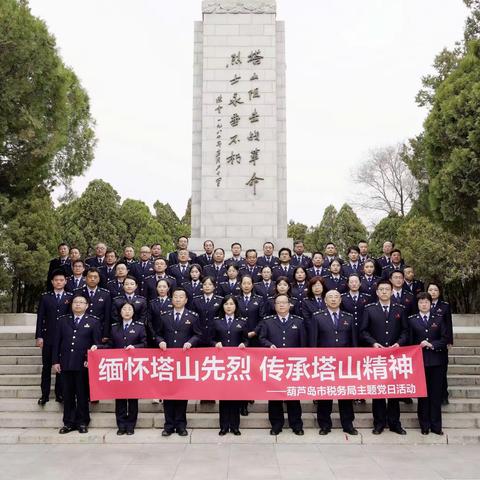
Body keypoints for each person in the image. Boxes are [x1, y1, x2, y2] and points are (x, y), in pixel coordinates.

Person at [360, 279, 409, 435]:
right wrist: (373, 343)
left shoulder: (400, 309)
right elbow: (363, 331)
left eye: (387, 289)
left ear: (392, 291)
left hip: (395, 355)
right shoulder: (369, 309)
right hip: (377, 356)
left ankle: (395, 423)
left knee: (394, 391)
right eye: (381, 289)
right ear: (377, 292)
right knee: (379, 390)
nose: (384, 292)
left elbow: (405, 331)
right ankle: (379, 423)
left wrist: (399, 344)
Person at [91, 302, 147, 435]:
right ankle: (121, 425)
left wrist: (135, 348)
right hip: (119, 368)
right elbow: (110, 345)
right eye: (124, 309)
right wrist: (97, 347)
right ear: (120, 312)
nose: (127, 311)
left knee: (133, 398)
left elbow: (145, 343)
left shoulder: (139, 327)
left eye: (129, 309)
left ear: (133, 312)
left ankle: (131, 425)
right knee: (120, 397)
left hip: (134, 367)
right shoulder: (114, 327)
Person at [154, 288, 202, 436]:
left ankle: (181, 425)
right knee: (168, 393)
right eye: (175, 297)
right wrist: (160, 341)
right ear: (171, 299)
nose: (178, 299)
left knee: (181, 393)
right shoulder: (164, 316)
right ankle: (168, 425)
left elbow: (198, 334)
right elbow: (157, 334)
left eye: (181, 297)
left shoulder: (192, 316)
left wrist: (190, 342)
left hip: (184, 360)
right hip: (167, 360)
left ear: (186, 300)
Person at [310, 290, 358, 435]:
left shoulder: (348, 317)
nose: (333, 299)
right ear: (325, 301)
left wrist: (354, 360)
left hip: (344, 363)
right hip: (325, 363)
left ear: (340, 300)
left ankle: (348, 424)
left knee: (345, 395)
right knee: (325, 394)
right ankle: (325, 424)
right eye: (330, 297)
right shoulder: (317, 317)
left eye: (336, 297)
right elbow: (313, 341)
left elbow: (354, 341)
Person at [52, 295, 101, 434]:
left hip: (83, 363)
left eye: (81, 302)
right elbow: (57, 343)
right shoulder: (62, 321)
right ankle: (68, 422)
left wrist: (89, 358)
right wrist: (55, 361)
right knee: (67, 394)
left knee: (81, 393)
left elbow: (96, 343)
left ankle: (82, 422)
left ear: (87, 306)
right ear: (71, 304)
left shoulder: (93, 321)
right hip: (65, 362)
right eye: (75, 302)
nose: (78, 305)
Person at [259, 293, 306, 436]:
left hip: (293, 364)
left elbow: (303, 342)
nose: (281, 305)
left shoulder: (299, 321)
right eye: (278, 303)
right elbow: (261, 338)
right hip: (275, 364)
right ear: (274, 306)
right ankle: (276, 424)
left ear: (290, 305)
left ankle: (296, 424)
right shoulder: (267, 321)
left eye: (284, 302)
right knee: (274, 395)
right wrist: (269, 345)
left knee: (293, 395)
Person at [408, 292, 448, 435]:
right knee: (423, 396)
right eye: (421, 302)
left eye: (426, 302)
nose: (423, 304)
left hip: (437, 361)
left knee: (435, 395)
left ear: (430, 304)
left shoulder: (439, 318)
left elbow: (445, 338)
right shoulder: (412, 320)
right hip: (420, 362)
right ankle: (424, 426)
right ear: (417, 304)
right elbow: (409, 341)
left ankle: (436, 427)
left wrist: (431, 344)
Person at [210, 295, 248, 435]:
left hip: (236, 364)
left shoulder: (242, 322)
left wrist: (245, 344)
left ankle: (235, 426)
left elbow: (246, 340)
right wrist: (215, 344)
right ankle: (224, 426)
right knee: (224, 395)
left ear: (236, 306)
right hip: (222, 363)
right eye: (226, 304)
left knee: (235, 395)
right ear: (223, 306)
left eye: (231, 304)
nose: (229, 306)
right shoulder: (217, 322)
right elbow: (211, 339)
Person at [35, 271, 73, 405]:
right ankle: (44, 395)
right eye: (56, 280)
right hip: (48, 337)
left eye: (61, 280)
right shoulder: (45, 297)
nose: (58, 282)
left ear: (65, 281)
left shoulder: (70, 296)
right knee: (46, 367)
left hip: (63, 338)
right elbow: (40, 317)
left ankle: (60, 394)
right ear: (52, 282)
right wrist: (39, 336)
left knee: (60, 367)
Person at [427, 282, 453, 405]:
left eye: (435, 290)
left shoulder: (445, 306)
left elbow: (448, 324)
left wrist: (449, 340)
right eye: (430, 290)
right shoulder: (423, 304)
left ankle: (444, 395)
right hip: (426, 342)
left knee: (442, 371)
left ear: (439, 292)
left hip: (440, 341)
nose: (433, 292)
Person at [76, 267, 112, 341]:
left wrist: (105, 334)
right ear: (85, 278)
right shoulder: (77, 292)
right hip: (81, 329)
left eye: (95, 277)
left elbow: (107, 315)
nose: (92, 279)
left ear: (99, 279)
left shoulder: (105, 294)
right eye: (90, 277)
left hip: (99, 329)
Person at [191, 276, 223, 346]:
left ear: (214, 287)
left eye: (210, 284)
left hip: (214, 335)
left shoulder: (220, 300)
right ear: (202, 286)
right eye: (205, 284)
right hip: (199, 334)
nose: (207, 286)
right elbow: (193, 317)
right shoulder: (196, 300)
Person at [301, 276, 326, 342]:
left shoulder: (328, 299)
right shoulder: (306, 301)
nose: (317, 288)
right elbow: (307, 318)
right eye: (314, 286)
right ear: (311, 288)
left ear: (323, 286)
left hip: (328, 331)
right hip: (312, 332)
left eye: (318, 285)